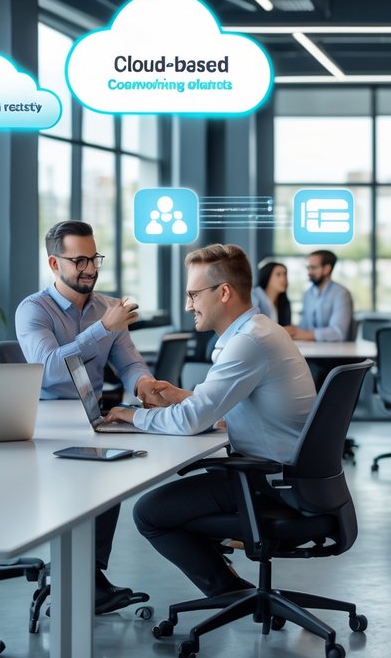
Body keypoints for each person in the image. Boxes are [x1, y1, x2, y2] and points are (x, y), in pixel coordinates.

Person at [103, 244, 316, 598]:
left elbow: (191, 422)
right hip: (288, 475)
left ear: (224, 292)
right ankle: (233, 590)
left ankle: (230, 592)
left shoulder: (248, 342)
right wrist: (179, 395)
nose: (188, 305)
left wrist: (132, 415)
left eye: (193, 294)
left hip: (270, 482)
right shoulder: (260, 331)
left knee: (149, 513)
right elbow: (224, 407)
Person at [15, 220, 159, 609]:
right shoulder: (34, 310)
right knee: (96, 470)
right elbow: (46, 367)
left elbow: (129, 363)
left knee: (112, 470)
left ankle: (89, 575)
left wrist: (144, 386)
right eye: (79, 260)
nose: (91, 269)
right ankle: (82, 581)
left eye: (94, 257)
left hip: (91, 418)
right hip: (44, 424)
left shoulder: (106, 307)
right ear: (53, 262)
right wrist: (101, 329)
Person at [286, 250, 353, 342]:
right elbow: (304, 326)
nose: (309, 272)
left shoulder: (341, 294)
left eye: (313, 268)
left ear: (327, 269)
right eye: (308, 268)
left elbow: (338, 332)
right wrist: (293, 331)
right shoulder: (307, 294)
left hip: (335, 352)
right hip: (311, 350)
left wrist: (306, 334)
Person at [253, 259, 291, 326]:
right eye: (278, 275)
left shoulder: (283, 303)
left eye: (285, 274)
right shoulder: (254, 297)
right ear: (267, 276)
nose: (283, 279)